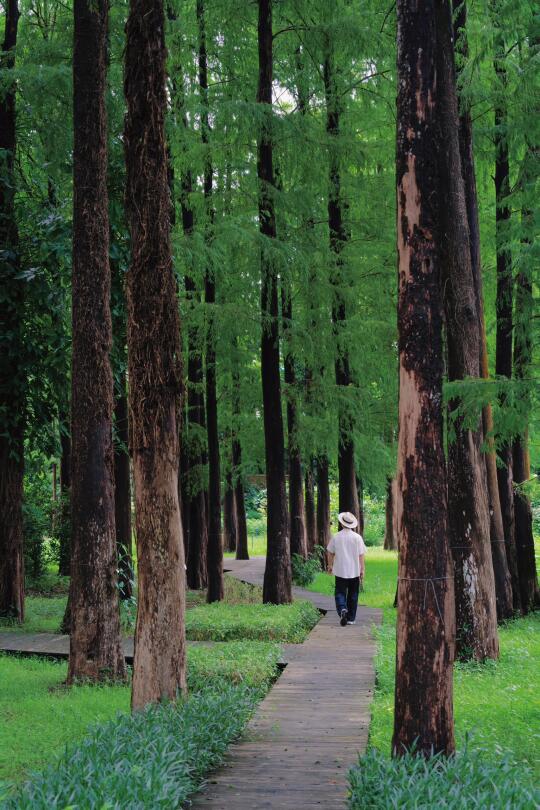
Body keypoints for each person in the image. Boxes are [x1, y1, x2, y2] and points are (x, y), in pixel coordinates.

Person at [327, 511, 366, 626]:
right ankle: (351, 618)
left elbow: (330, 552)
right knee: (353, 594)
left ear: (342, 523)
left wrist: (330, 566)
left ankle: (342, 609)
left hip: (340, 570)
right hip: (354, 571)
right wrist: (362, 569)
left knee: (340, 592)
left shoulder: (336, 537)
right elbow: (361, 555)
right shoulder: (357, 538)